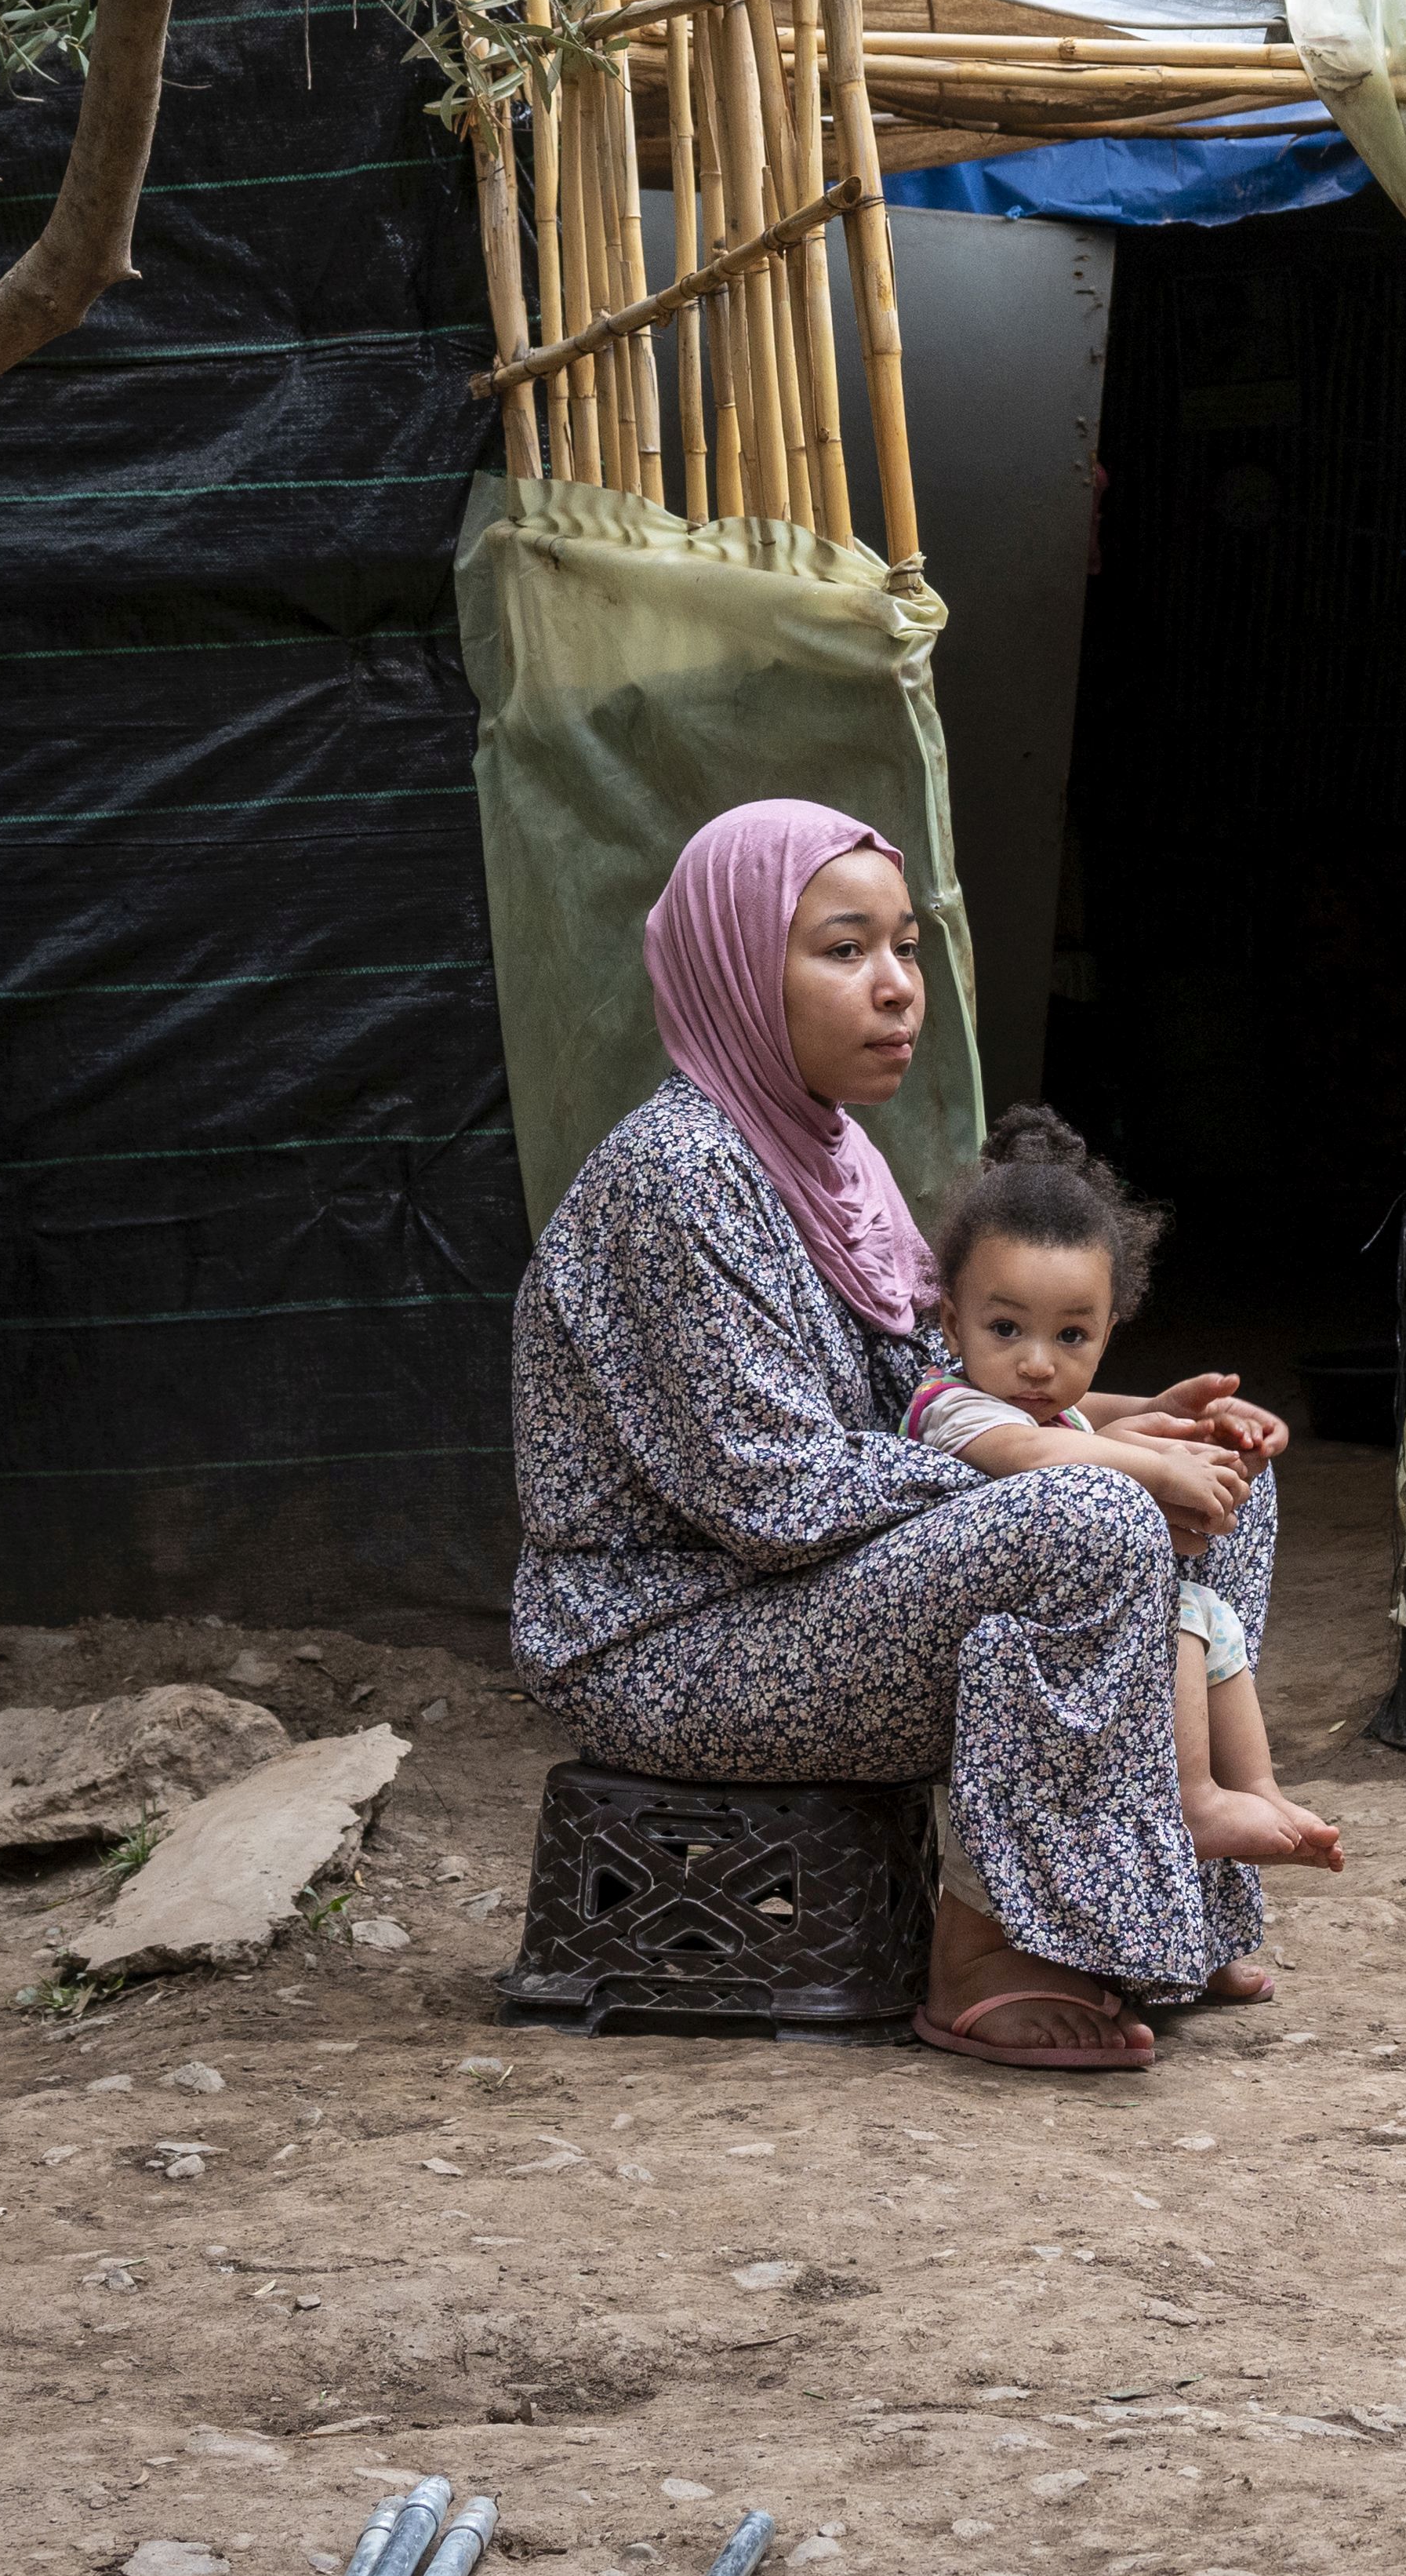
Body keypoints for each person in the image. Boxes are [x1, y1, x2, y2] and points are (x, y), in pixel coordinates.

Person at [509, 797, 1282, 2075]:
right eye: (842, 947)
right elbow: (769, 1487)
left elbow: (922, 1396)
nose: (895, 988)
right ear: (737, 964)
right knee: (1093, 1516)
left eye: (907, 948)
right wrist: (1075, 1462)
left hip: (801, 1597)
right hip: (668, 1636)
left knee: (1213, 1477)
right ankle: (992, 1945)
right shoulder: (681, 1169)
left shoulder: (826, 1157)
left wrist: (1120, 1420)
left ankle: (1162, 1912)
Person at [914, 1115, 1341, 1876]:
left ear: (1108, 1330)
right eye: (1006, 1327)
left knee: (1208, 1617)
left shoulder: (1033, 1394)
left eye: (1070, 1336)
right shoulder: (953, 1404)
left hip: (1083, 1633)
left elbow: (1087, 1414)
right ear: (952, 1322)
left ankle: (1259, 1791)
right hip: (1001, 1653)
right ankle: (1196, 1797)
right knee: (1179, 1619)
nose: (1038, 1364)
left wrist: (1182, 1412)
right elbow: (1035, 1448)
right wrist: (1162, 1470)